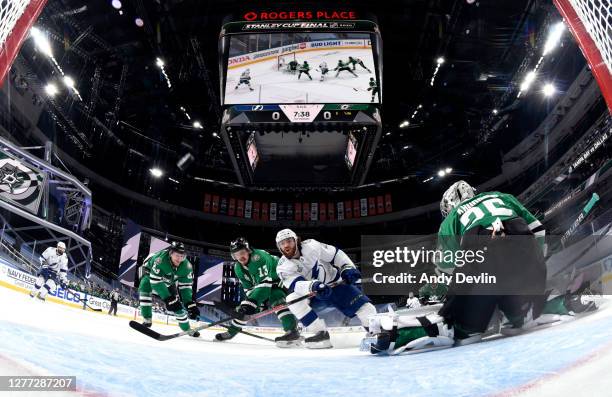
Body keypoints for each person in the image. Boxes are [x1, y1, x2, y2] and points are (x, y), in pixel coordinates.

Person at [364, 180, 595, 355]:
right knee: (521, 317)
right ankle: (565, 301)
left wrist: (442, 299)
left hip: (484, 261)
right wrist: (534, 267)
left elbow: (447, 273)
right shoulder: (502, 196)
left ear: (450, 205)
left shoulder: (451, 219)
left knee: (461, 332)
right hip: (527, 263)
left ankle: (390, 333)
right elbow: (539, 231)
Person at [275, 229, 377, 348]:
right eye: (282, 243)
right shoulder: (282, 267)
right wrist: (314, 286)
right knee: (292, 300)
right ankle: (320, 333)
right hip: (313, 294)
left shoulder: (312, 245)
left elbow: (335, 254)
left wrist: (347, 267)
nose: (286, 245)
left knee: (366, 308)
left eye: (289, 241)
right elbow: (296, 284)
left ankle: (375, 332)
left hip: (335, 285)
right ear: (279, 247)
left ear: (296, 240)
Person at [215, 237, 301, 347]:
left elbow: (266, 285)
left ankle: (292, 331)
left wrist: (252, 303)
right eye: (236, 255)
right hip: (266, 284)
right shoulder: (238, 268)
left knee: (276, 297)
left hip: (283, 278)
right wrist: (250, 306)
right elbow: (249, 289)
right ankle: (231, 332)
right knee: (245, 308)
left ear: (248, 250)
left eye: (242, 252)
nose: (240, 257)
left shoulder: (258, 257)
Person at [138, 242, 200, 337]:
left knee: (176, 305)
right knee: (145, 286)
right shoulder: (160, 260)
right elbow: (155, 281)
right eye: (177, 255)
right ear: (170, 253)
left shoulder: (187, 266)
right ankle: (147, 319)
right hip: (149, 272)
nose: (179, 259)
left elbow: (186, 286)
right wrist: (167, 298)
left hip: (169, 279)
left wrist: (189, 303)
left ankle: (187, 329)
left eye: (182, 256)